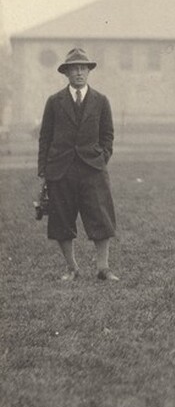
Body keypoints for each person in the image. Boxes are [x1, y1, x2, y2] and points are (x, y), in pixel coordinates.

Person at [37, 48, 119, 281]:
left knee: (100, 217)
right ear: (66, 73)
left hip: (92, 168)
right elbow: (45, 136)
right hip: (60, 169)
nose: (79, 72)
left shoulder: (101, 101)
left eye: (83, 68)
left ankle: (103, 268)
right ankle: (72, 268)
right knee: (62, 218)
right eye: (74, 68)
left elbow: (108, 135)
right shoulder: (54, 102)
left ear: (89, 71)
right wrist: (43, 169)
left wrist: (101, 158)